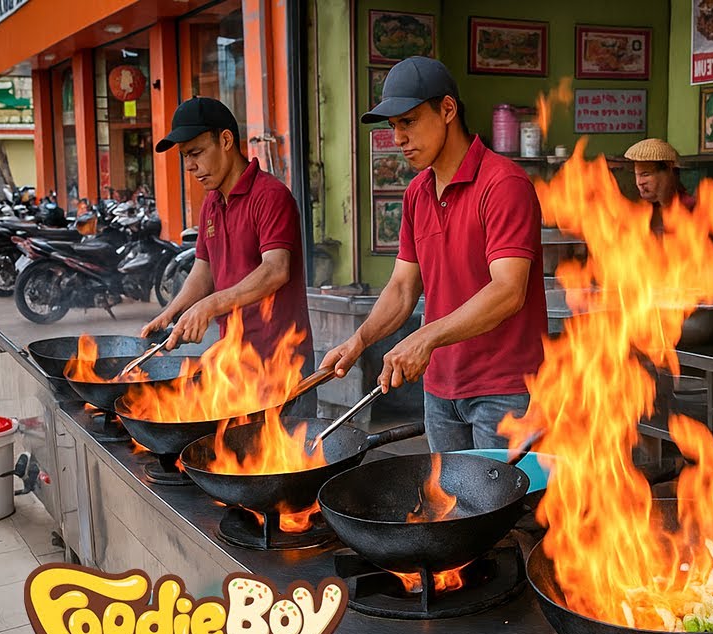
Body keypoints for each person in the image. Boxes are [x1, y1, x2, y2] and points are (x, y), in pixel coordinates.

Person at [320, 57, 546, 452]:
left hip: (505, 390)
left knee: (502, 510)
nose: (398, 138)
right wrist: (357, 342)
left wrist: (425, 337)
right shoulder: (416, 193)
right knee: (450, 507)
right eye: (393, 127)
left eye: (408, 121)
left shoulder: (504, 183)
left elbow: (509, 290)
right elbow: (403, 288)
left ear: (447, 110)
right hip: (440, 389)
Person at [141, 97, 313, 370]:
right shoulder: (211, 202)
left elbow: (276, 269)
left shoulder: (271, 196)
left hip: (280, 361)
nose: (189, 166)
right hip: (232, 359)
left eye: (196, 153)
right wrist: (172, 312)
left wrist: (210, 305)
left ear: (225, 140)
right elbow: (203, 270)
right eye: (185, 156)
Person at [624, 138, 695, 233]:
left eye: (645, 174)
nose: (639, 182)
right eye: (637, 175)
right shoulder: (639, 211)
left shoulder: (690, 207)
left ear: (668, 171)